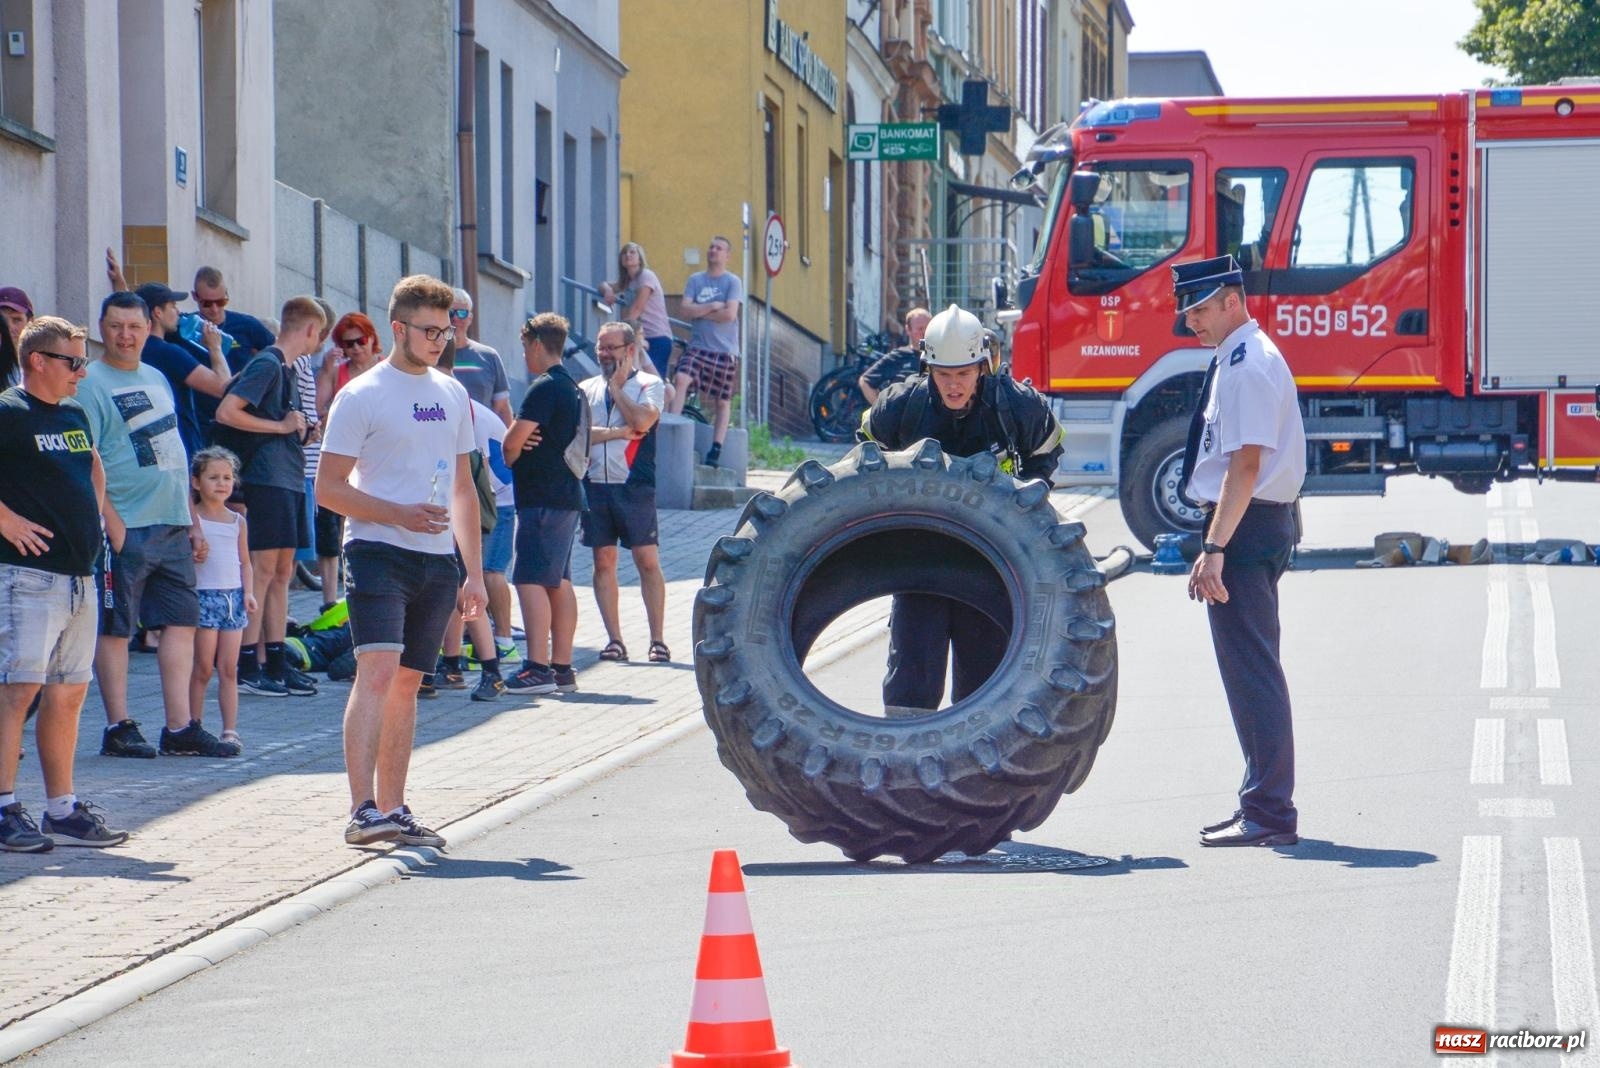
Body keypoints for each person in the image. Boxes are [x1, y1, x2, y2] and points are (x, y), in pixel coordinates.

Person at [316, 274, 486, 850]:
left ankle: (394, 808)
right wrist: (397, 515)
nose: (441, 339)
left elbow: (463, 488)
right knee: (378, 672)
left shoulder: (452, 392)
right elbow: (329, 489)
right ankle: (362, 810)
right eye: (430, 330)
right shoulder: (361, 394)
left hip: (437, 559)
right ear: (398, 328)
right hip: (376, 550)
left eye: (449, 329)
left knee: (410, 684)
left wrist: (475, 574)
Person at [860, 303, 1064, 715]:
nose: (954, 385)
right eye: (944, 375)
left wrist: (1028, 504)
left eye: (964, 374)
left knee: (983, 680)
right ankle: (907, 764)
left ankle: (974, 769)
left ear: (983, 367)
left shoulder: (1015, 406)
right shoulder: (900, 408)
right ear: (927, 368)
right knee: (912, 679)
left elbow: (1046, 450)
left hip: (990, 561)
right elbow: (863, 464)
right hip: (920, 559)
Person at [1171, 256, 1306, 848]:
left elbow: (1246, 464)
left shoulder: (1248, 366)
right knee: (1253, 669)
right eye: (1187, 312)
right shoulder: (1240, 356)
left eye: (1200, 309)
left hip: (1245, 530)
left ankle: (1270, 814)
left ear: (1232, 299)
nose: (1191, 322)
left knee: (1252, 673)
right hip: (1256, 526)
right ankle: (1261, 802)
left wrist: (1215, 547)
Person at [0, 317, 130, 850]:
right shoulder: (8, 411)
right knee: (17, 692)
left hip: (80, 578)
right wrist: (4, 519)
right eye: (73, 362)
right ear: (38, 361)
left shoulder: (75, 414)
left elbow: (90, 465)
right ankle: (4, 808)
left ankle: (62, 810)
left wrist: (101, 520)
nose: (82, 372)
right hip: (27, 576)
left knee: (70, 694)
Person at [80, 292, 227, 758]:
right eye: (116, 325)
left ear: (149, 328)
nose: (126, 335)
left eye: (135, 326)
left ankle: (179, 727)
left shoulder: (158, 376)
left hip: (172, 524)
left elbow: (174, 454)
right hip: (126, 525)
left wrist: (192, 521)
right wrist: (113, 524)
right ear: (101, 328)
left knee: (181, 625)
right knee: (117, 628)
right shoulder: (89, 383)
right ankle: (118, 726)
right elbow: (87, 461)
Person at [214, 296, 325, 699]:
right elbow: (228, 412)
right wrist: (281, 427)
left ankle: (276, 663)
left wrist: (300, 430)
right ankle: (248, 664)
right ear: (310, 330)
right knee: (261, 572)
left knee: (282, 573)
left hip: (289, 478)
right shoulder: (268, 362)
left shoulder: (288, 369)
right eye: (319, 334)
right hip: (267, 479)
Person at [503, 313, 586, 696]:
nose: (523, 355)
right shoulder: (573, 387)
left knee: (530, 578)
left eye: (524, 347)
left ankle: (537, 667)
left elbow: (510, 443)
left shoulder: (544, 387)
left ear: (537, 344)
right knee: (558, 580)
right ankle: (563, 668)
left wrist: (514, 452)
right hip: (566, 496)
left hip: (541, 498)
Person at [579, 322, 668, 664]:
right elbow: (579, 434)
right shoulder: (585, 388)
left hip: (635, 485)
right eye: (600, 347)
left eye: (610, 348)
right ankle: (615, 639)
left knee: (647, 561)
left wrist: (617, 391)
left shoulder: (650, 384)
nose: (603, 354)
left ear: (630, 350)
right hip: (595, 485)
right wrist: (617, 432)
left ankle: (657, 639)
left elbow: (643, 422)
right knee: (603, 561)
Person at [187, 447, 253, 756]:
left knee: (229, 668)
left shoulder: (237, 521)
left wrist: (248, 593)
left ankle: (230, 730)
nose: (221, 483)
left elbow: (245, 563)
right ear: (197, 482)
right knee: (202, 667)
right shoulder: (193, 519)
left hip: (233, 600)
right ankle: (193, 724)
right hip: (204, 598)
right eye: (213, 477)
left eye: (227, 477)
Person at [666, 235, 742, 467]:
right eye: (711, 247)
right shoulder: (696, 280)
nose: (713, 251)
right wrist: (711, 307)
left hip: (724, 350)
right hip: (698, 347)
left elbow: (730, 315)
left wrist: (700, 312)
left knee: (721, 401)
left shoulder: (732, 282)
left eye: (719, 248)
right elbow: (685, 310)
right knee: (681, 378)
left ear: (727, 256)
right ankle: (673, 427)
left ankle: (716, 448)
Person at [132, 282, 232, 456]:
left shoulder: (135, 350)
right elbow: (223, 386)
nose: (178, 312)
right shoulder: (168, 352)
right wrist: (215, 347)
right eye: (173, 306)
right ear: (157, 312)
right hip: (180, 444)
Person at [600, 243, 674, 381]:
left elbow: (637, 309)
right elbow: (603, 285)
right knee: (636, 380)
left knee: (654, 382)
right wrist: (608, 290)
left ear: (640, 258)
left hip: (656, 336)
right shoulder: (628, 282)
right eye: (625, 253)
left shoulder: (646, 276)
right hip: (639, 337)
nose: (628, 255)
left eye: (632, 252)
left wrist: (620, 332)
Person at [447, 288, 514, 425]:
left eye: (462, 313)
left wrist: (507, 445)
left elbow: (502, 408)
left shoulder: (489, 356)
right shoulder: (430, 356)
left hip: (480, 439)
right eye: (450, 313)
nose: (455, 318)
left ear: (470, 318)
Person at [858, 306, 932, 405]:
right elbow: (865, 381)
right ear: (908, 330)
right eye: (920, 329)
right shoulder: (898, 357)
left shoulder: (941, 355)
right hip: (904, 417)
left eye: (928, 328)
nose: (924, 332)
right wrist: (881, 410)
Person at [0, 287, 34, 387]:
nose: (8, 327)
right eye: (1, 321)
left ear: (30, 322)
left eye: (16, 319)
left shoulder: (42, 364)